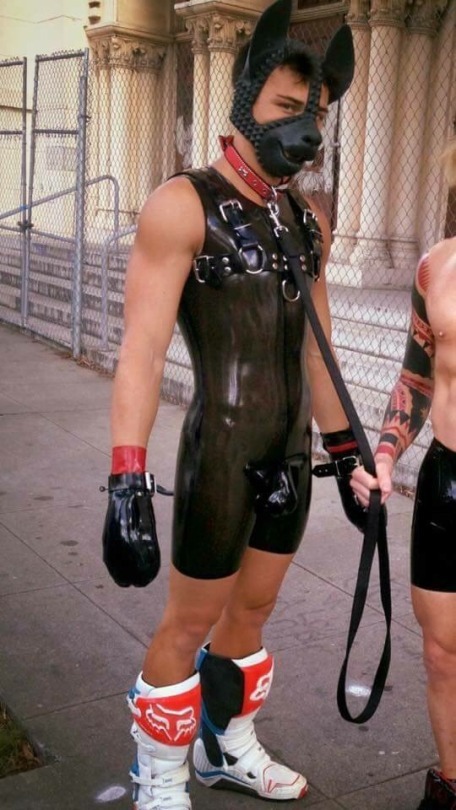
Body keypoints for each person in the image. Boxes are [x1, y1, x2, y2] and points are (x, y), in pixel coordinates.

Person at [102, 1, 361, 807]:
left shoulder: (307, 220)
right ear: (246, 100)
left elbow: (318, 349)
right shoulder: (181, 204)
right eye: (287, 108)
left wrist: (346, 450)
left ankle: (226, 745)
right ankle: (158, 773)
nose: (305, 130)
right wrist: (126, 477)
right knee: (188, 622)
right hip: (220, 449)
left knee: (253, 610)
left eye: (316, 115)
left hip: (290, 454)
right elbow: (142, 353)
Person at [351, 139, 456, 810]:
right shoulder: (435, 268)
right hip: (447, 481)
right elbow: (417, 380)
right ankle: (451, 785)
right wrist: (385, 455)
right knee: (442, 652)